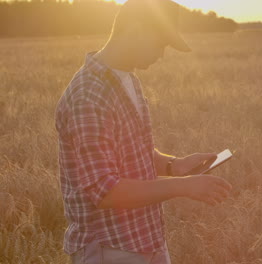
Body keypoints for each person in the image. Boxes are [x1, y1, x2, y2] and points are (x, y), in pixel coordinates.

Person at [54, 0, 232, 263]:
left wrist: (175, 165)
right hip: (110, 248)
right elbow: (106, 192)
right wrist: (182, 187)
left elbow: (132, 151)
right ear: (137, 29)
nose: (161, 54)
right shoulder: (88, 96)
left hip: (145, 239)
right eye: (160, 43)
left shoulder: (127, 78)